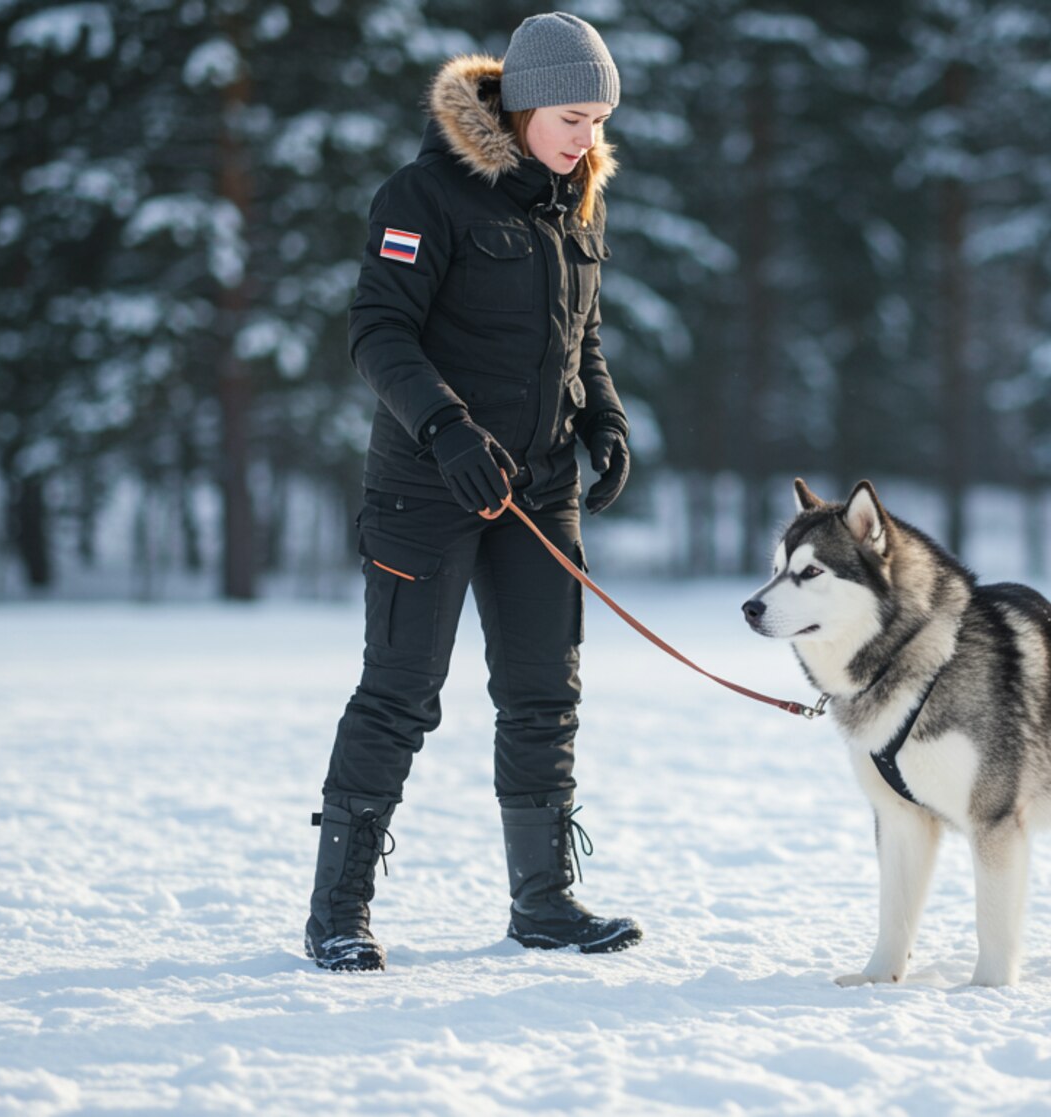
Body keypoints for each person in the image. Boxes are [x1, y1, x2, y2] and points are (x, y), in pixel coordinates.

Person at [304, 12, 639, 971]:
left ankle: (545, 903)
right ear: (525, 106)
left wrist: (605, 420)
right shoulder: (424, 195)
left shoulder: (577, 200)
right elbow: (378, 331)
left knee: (544, 694)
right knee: (400, 693)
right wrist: (446, 428)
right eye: (572, 119)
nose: (587, 138)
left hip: (540, 489)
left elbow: (582, 335)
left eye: (599, 122)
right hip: (428, 484)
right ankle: (338, 912)